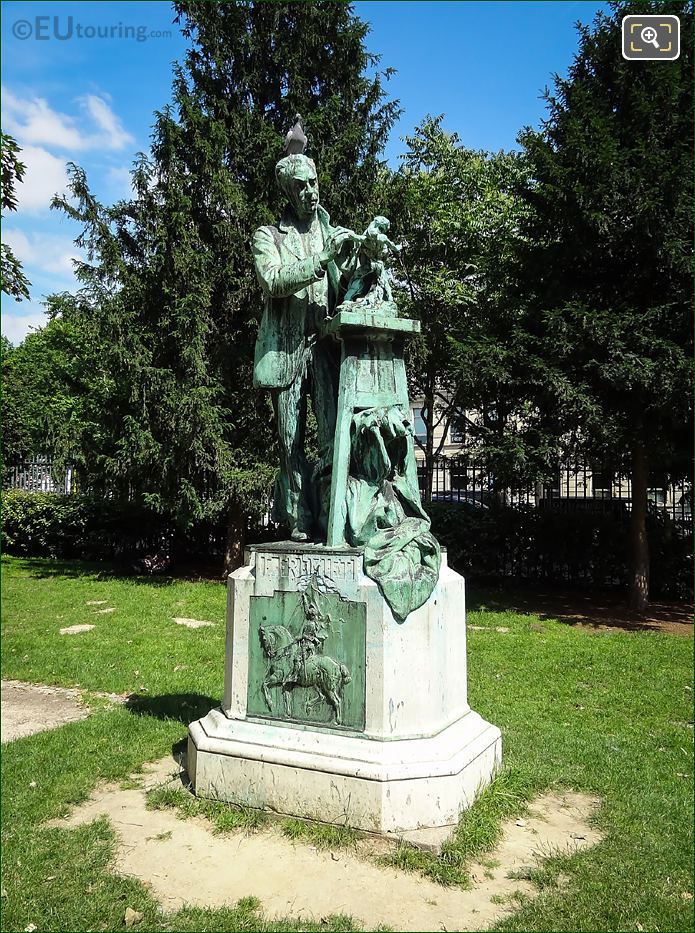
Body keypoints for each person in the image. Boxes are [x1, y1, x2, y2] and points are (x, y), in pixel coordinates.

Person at [252, 121, 360, 540]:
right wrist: (319, 259)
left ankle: (334, 514)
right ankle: (298, 516)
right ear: (288, 192)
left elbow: (346, 280)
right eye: (302, 186)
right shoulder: (268, 236)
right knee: (289, 440)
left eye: (314, 183)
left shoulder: (329, 229)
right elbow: (273, 280)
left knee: (334, 433)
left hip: (326, 348)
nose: (312, 192)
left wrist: (354, 258)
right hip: (286, 353)